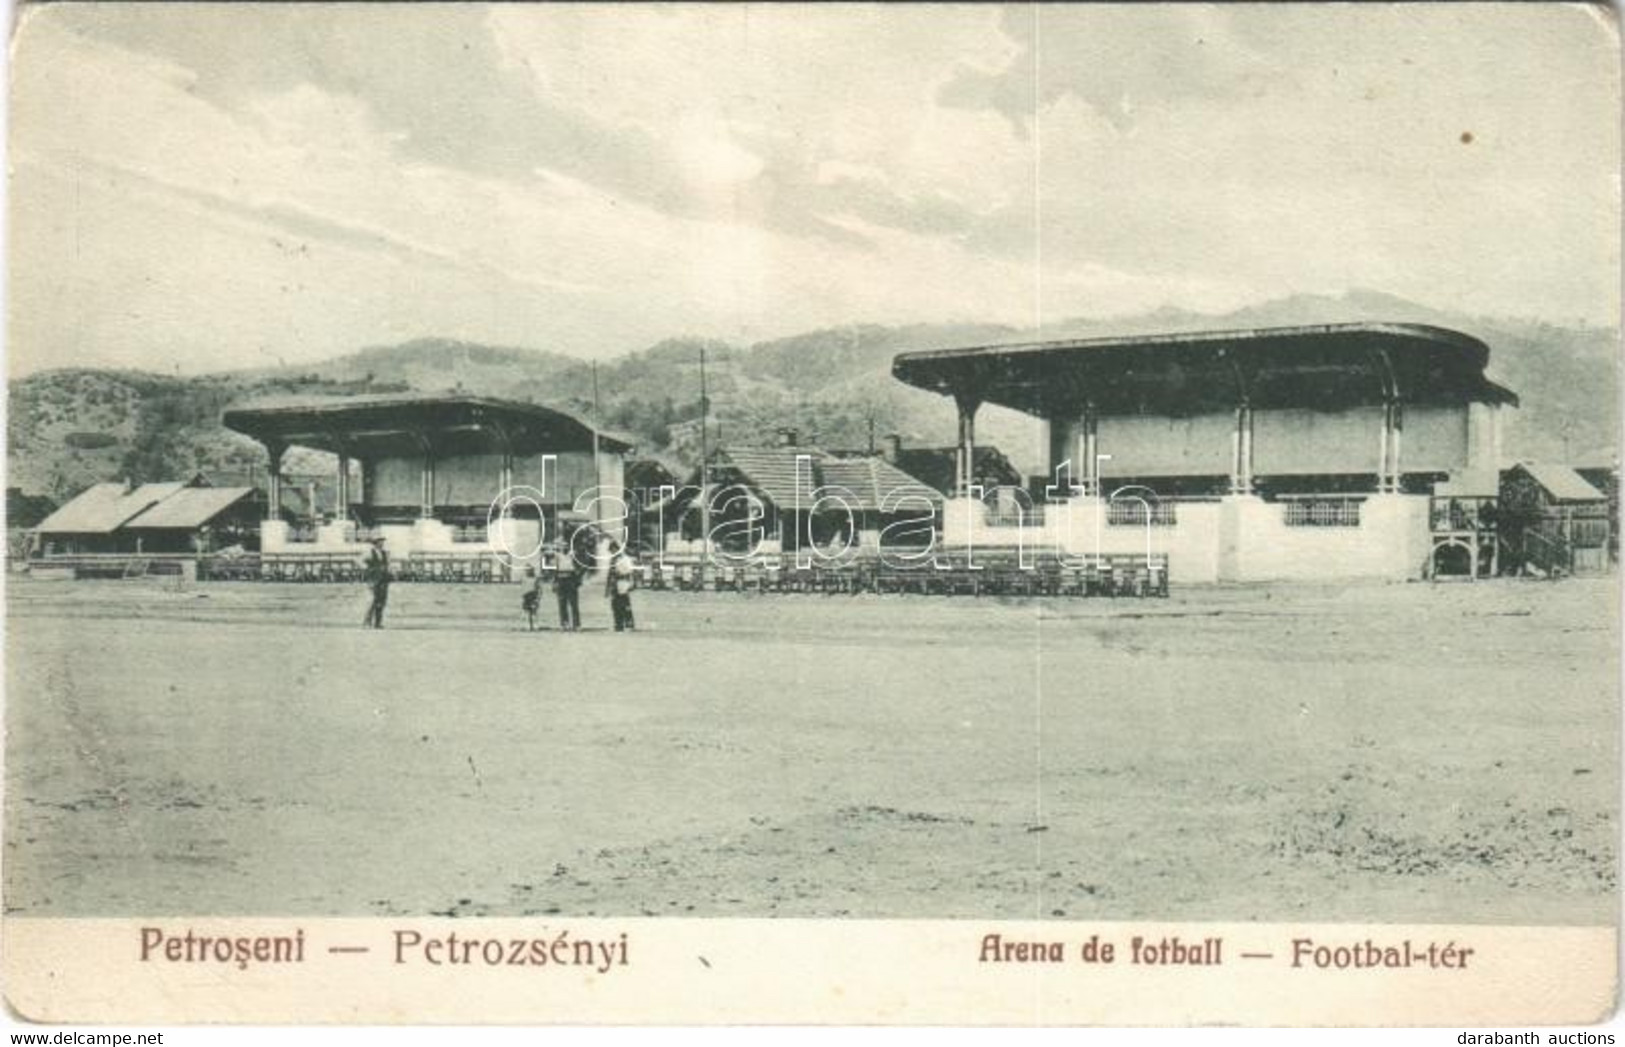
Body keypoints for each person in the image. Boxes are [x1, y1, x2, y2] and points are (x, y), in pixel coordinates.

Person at [554, 528, 585, 631]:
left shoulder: (573, 554)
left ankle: (576, 624)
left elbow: (582, 566)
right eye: (562, 545)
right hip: (561, 579)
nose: (564, 546)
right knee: (562, 603)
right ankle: (564, 623)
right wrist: (555, 582)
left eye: (566, 544)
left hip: (571, 579)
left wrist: (578, 577)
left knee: (573, 603)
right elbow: (554, 570)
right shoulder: (557, 556)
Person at [606, 539, 637, 632]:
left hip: (623, 582)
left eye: (613, 550)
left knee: (624, 604)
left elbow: (630, 571)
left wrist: (631, 583)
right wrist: (608, 588)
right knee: (615, 605)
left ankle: (629, 624)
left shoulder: (625, 559)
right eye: (611, 551)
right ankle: (618, 624)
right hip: (614, 584)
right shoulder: (612, 560)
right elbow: (609, 574)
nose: (612, 552)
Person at [362, 536, 391, 629]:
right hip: (373, 579)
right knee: (372, 600)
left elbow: (387, 565)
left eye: (382, 542)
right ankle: (367, 622)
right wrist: (369, 570)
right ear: (376, 543)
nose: (382, 543)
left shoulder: (384, 553)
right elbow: (361, 562)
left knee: (381, 601)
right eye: (380, 541)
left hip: (383, 579)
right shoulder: (369, 552)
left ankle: (377, 623)